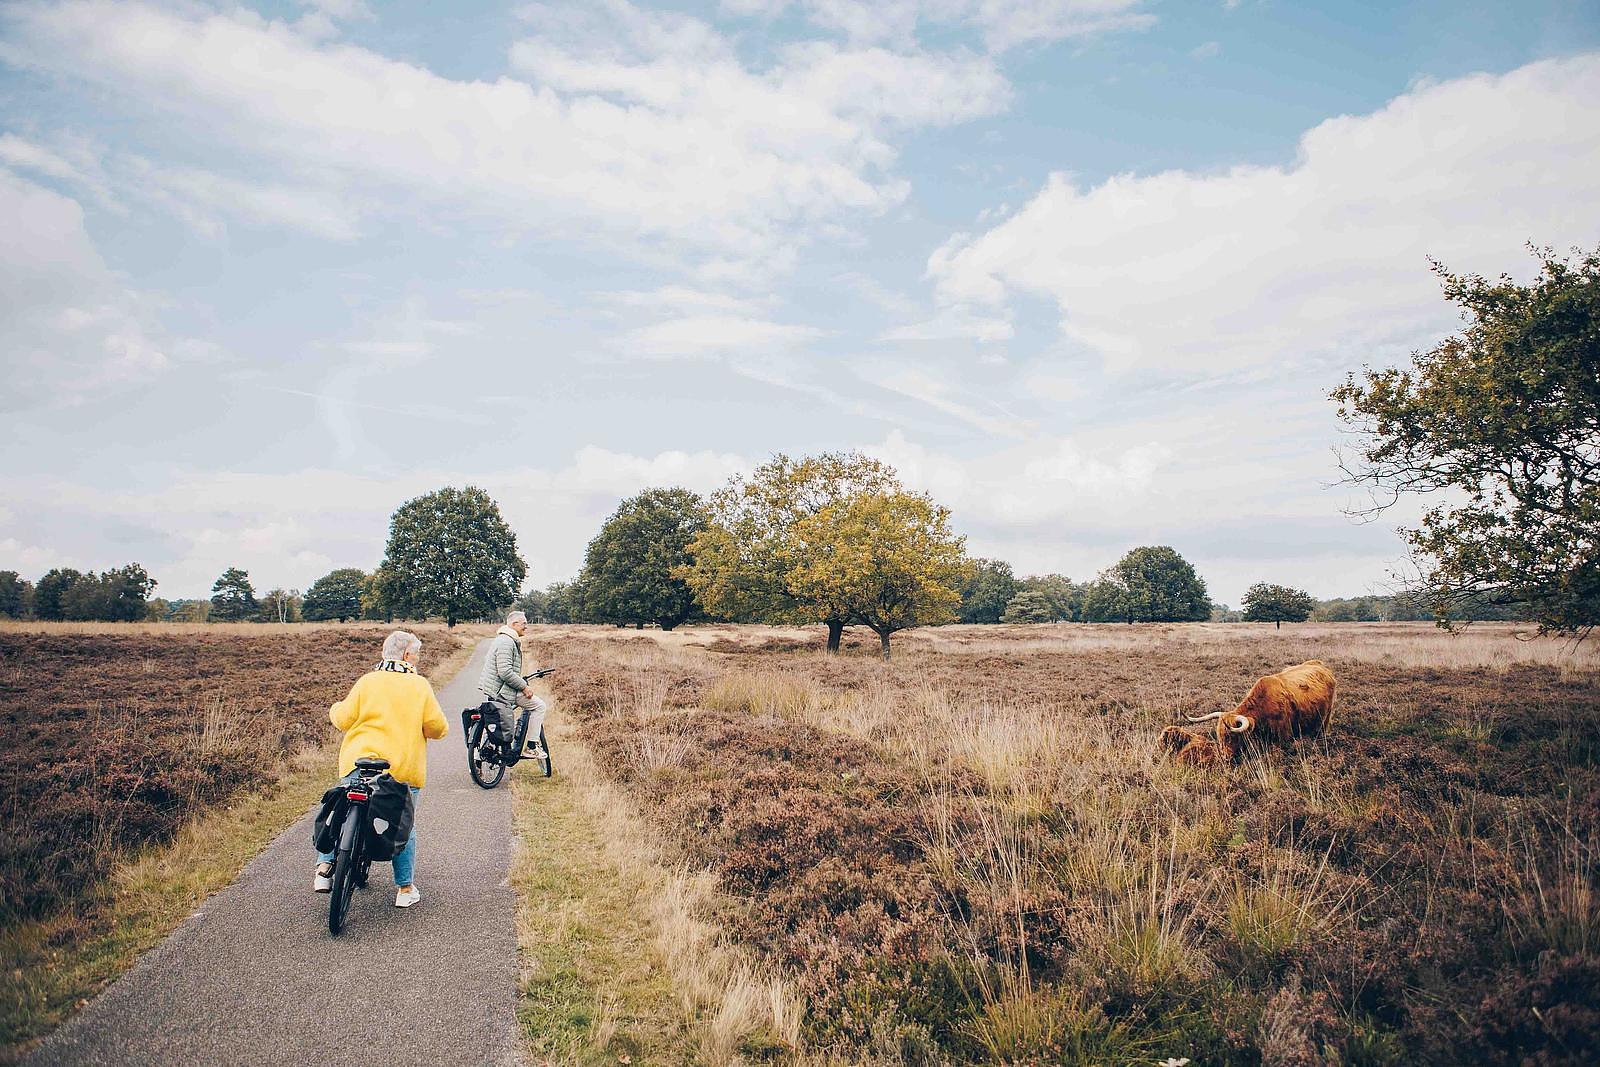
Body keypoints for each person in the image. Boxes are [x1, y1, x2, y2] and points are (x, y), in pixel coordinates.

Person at [314, 629, 448, 908]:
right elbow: (437, 728)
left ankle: (325, 868)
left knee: (338, 806)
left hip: (358, 762)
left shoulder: (368, 681)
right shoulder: (418, 685)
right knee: (404, 825)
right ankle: (404, 889)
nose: (419, 659)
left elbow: (343, 718)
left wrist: (335, 707)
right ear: (407, 655)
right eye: (417, 654)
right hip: (400, 769)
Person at [477, 610, 547, 761]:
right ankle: (532, 747)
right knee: (539, 706)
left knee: (501, 720)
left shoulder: (503, 639)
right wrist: (524, 686)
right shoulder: (507, 642)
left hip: (495, 689)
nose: (526, 627)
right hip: (502, 691)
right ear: (514, 624)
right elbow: (505, 672)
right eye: (524, 624)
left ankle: (488, 749)